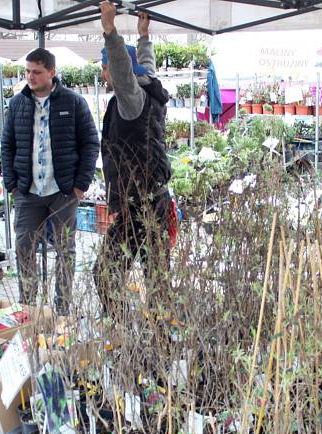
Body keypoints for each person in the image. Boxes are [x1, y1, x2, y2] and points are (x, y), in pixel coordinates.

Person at [2, 48, 100, 315]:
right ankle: (29, 307)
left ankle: (62, 308)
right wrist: (12, 183)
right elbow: (7, 144)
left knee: (65, 250)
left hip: (62, 191)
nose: (30, 77)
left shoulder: (73, 102)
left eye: (36, 72)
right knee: (24, 249)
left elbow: (91, 143)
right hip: (28, 191)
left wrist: (80, 184)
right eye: (27, 71)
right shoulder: (18, 104)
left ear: (52, 73)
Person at [94, 1, 174, 317]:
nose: (103, 75)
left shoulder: (131, 100)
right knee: (157, 277)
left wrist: (110, 30)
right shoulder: (150, 90)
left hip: (137, 204)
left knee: (105, 273)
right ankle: (159, 336)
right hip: (154, 198)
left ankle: (126, 329)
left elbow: (124, 70)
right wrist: (144, 38)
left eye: (104, 69)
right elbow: (145, 68)